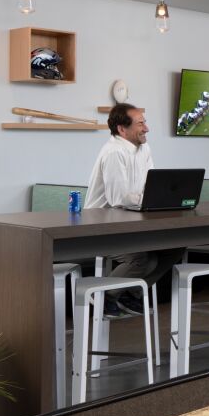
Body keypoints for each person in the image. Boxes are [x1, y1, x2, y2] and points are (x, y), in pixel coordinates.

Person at [86, 103, 183, 317]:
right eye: (140, 124)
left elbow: (152, 185)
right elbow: (118, 198)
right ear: (122, 129)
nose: (146, 128)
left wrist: (159, 197)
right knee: (140, 257)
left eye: (144, 122)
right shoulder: (114, 152)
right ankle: (102, 295)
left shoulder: (144, 148)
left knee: (174, 247)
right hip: (101, 226)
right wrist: (152, 198)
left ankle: (130, 292)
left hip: (130, 222)